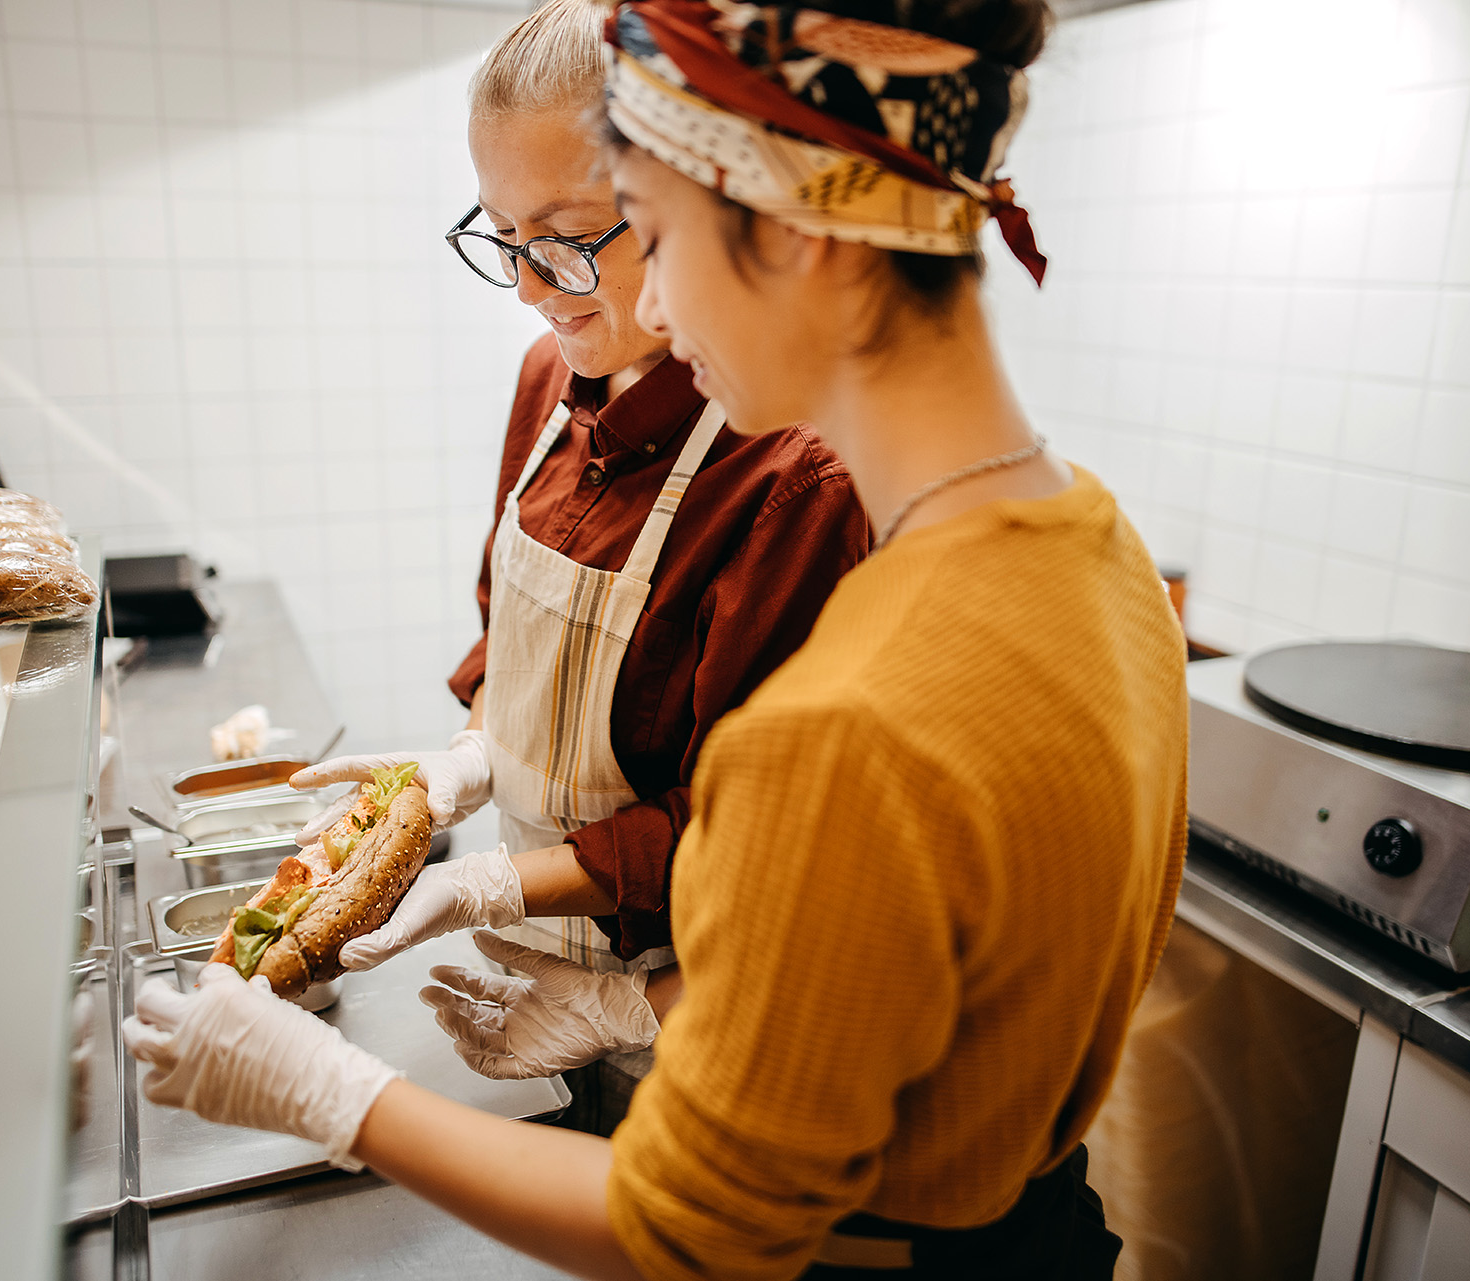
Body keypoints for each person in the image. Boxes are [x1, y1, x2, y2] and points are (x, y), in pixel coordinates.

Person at [123, 1, 1190, 1277]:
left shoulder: (843, 724)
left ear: (795, 234)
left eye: (659, 236)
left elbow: (690, 1230)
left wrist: (335, 1099)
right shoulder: (1103, 550)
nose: (664, 313)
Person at [286, 0, 869, 1008]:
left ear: (688, 200)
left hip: (696, 1000)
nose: (528, 287)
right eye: (503, 235)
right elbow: (507, 653)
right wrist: (466, 766)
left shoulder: (795, 472)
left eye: (562, 239)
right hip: (529, 972)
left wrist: (504, 892)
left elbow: (764, 831)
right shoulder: (545, 386)